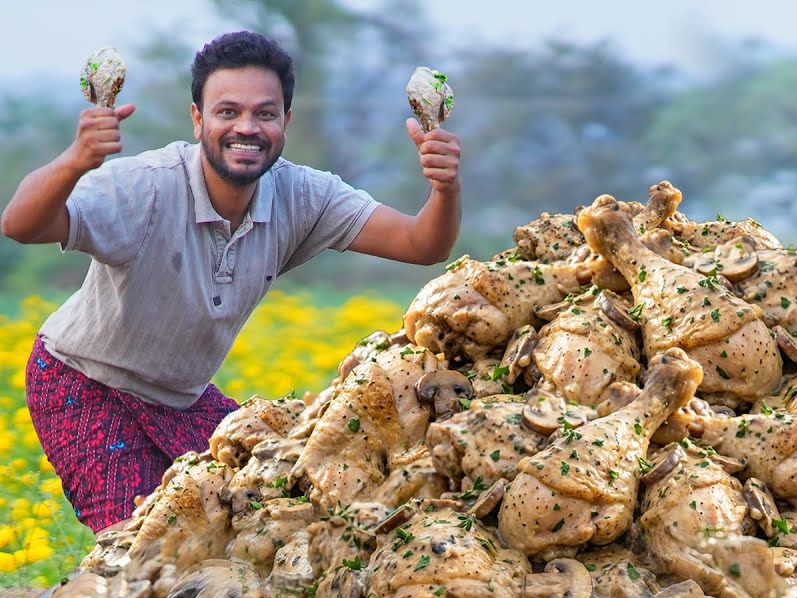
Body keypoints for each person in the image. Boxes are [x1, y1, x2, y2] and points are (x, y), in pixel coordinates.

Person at [0, 31, 463, 533]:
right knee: (142, 545)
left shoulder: (303, 195)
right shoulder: (145, 187)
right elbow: (21, 224)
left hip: (184, 396)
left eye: (264, 114)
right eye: (227, 112)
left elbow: (423, 245)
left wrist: (445, 186)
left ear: (285, 122)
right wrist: (76, 160)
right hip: (83, 381)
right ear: (198, 119)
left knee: (266, 507)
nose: (247, 128)